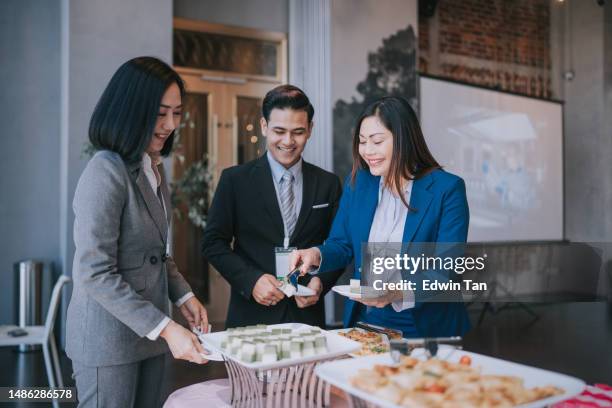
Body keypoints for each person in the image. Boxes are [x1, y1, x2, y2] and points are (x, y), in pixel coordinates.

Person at [66, 57, 209, 408]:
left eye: (176, 113)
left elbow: (156, 253)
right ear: (131, 110)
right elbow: (94, 273)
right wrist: (166, 327)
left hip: (150, 334)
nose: (170, 125)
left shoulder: (152, 168)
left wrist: (184, 297)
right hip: (108, 340)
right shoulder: (105, 171)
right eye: (160, 113)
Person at [290, 96, 471, 338]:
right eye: (362, 142)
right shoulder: (358, 184)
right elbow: (341, 244)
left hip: (425, 325)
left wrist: (395, 293)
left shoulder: (446, 189)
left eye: (377, 141)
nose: (367, 151)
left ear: (404, 139)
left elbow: (445, 269)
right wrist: (316, 254)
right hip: (366, 320)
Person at [201, 84, 343, 328]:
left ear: (310, 129)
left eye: (298, 132)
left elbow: (338, 243)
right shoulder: (234, 180)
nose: (288, 141)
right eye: (279, 131)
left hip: (307, 319)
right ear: (264, 126)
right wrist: (251, 280)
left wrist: (320, 281)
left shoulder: (328, 183)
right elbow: (213, 243)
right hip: (251, 317)